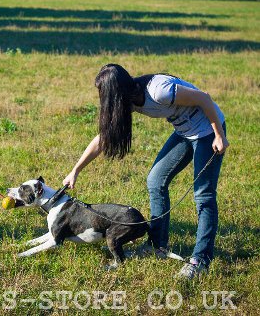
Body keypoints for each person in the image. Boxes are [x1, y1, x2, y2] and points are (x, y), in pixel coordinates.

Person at [63, 64, 229, 279]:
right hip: (184, 133)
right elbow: (104, 137)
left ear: (117, 90)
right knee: (155, 180)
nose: (102, 98)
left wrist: (219, 135)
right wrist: (75, 170)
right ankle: (157, 245)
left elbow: (204, 98)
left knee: (203, 195)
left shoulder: (159, 90)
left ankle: (201, 259)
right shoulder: (129, 101)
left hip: (208, 131)